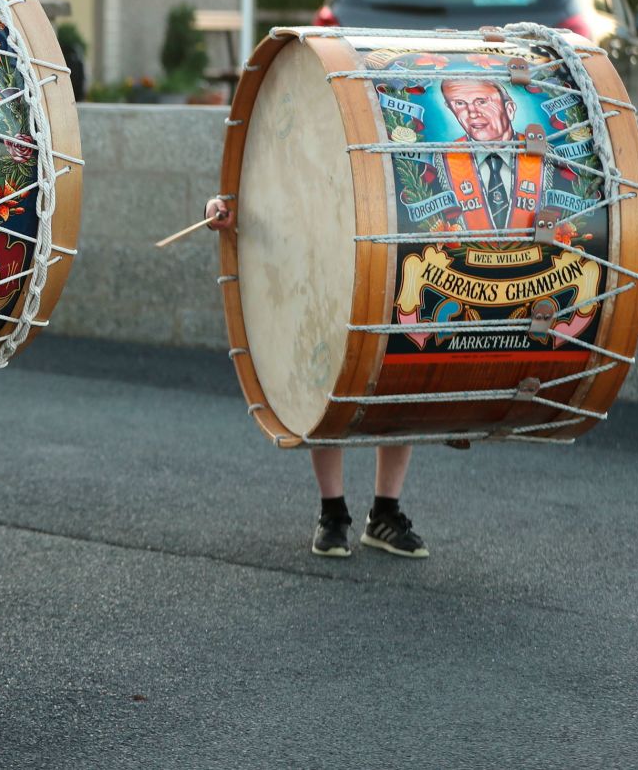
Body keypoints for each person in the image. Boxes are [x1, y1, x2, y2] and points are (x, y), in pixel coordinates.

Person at [204, 196, 428, 559]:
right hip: (315, 273)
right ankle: (332, 514)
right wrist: (216, 208)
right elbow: (249, 187)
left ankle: (385, 513)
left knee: (396, 386)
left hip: (383, 260)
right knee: (326, 389)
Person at [436, 77, 553, 232]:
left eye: (482, 102)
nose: (472, 113)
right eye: (460, 104)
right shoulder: (443, 159)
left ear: (509, 110)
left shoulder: (546, 154)